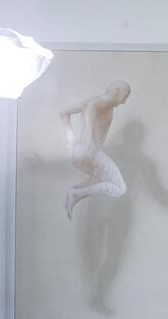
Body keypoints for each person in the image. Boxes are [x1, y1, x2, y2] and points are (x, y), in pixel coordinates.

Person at [60, 80, 132, 219]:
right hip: (89, 152)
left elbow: (64, 112)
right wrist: (90, 138)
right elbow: (92, 107)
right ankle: (76, 194)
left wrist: (70, 138)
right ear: (117, 91)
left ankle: (74, 192)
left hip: (77, 153)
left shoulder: (94, 101)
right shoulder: (105, 101)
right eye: (125, 95)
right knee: (120, 188)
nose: (124, 101)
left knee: (96, 180)